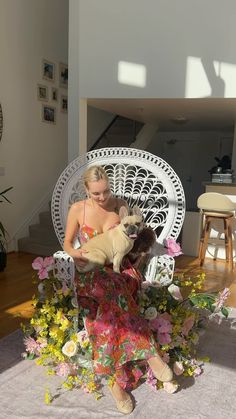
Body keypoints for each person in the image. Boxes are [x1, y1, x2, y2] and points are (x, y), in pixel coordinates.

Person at [64, 165, 173, 415]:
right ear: (86, 190)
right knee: (107, 290)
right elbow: (68, 243)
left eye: (106, 191)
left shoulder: (120, 205)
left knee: (109, 294)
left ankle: (116, 385)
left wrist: (140, 252)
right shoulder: (78, 209)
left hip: (122, 271)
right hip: (91, 269)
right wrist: (75, 254)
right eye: (96, 194)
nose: (103, 198)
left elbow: (140, 236)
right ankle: (150, 356)